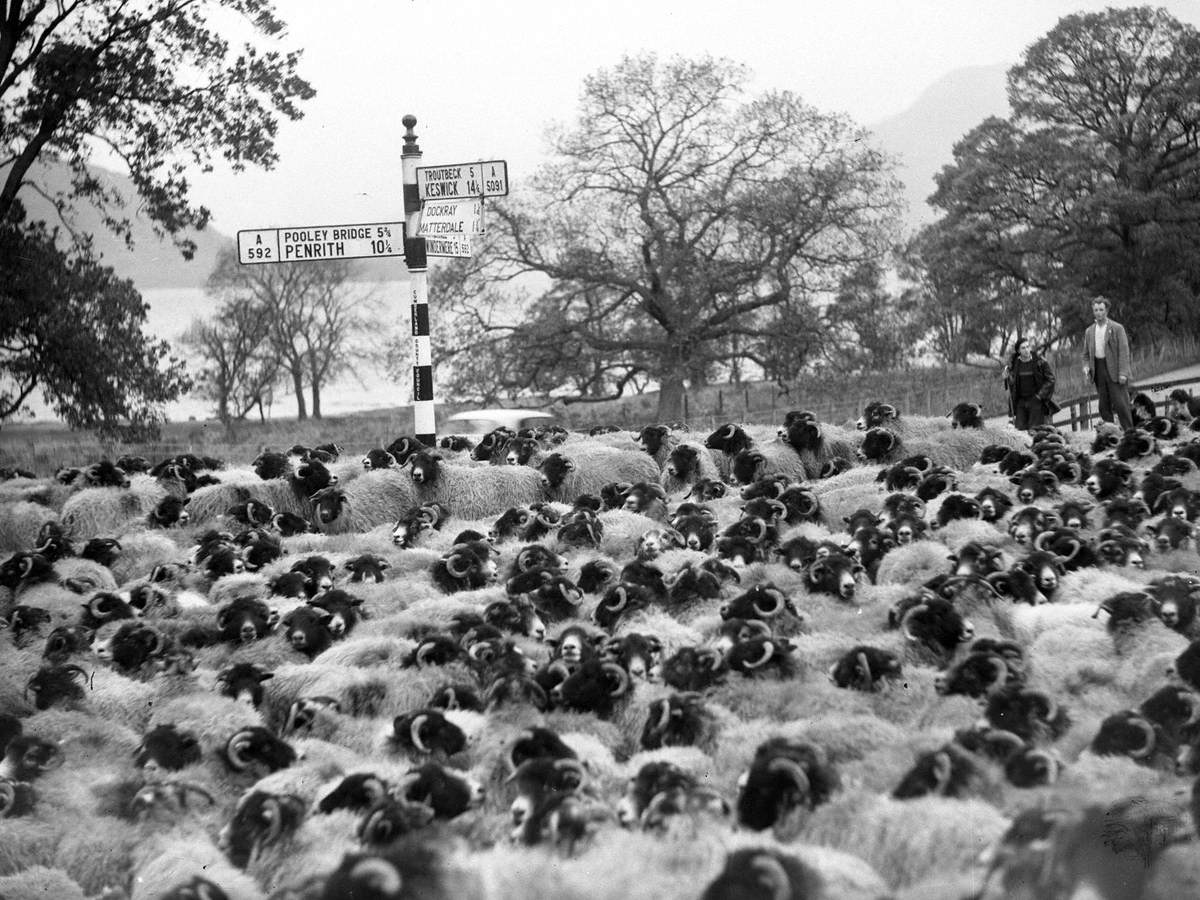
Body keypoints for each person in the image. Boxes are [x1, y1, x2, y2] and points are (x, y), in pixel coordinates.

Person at [1080, 296, 1133, 430]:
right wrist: (1086, 367)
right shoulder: (1089, 331)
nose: (1098, 313)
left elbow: (1124, 352)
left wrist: (1123, 373)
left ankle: (1129, 432)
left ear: (1107, 311)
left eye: (1101, 309)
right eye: (1096, 310)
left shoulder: (1117, 328)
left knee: (1121, 404)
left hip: (1115, 371)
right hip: (1098, 370)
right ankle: (1110, 434)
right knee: (1103, 406)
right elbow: (1085, 355)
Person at [1002, 338, 1058, 431]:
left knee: (1034, 431)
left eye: (1028, 347)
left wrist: (1039, 396)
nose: (1026, 350)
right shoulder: (1014, 364)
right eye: (1023, 348)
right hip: (1021, 402)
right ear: (1018, 351)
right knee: (1020, 431)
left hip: (1035, 401)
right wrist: (1006, 378)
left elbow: (1051, 380)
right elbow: (1012, 383)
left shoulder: (1040, 362)